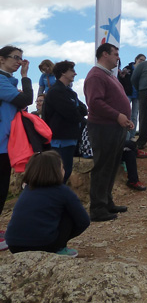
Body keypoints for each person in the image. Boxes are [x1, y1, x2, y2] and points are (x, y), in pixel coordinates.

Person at [5, 151, 90, 257]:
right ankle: (59, 248)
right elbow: (84, 221)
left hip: (14, 245)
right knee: (69, 213)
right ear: (56, 171)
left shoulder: (27, 189)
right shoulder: (62, 191)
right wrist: (62, 239)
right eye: (62, 168)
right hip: (45, 245)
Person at [84, 43, 133, 222]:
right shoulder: (96, 75)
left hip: (115, 127)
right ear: (104, 54)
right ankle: (97, 209)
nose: (118, 57)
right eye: (115, 54)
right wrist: (118, 115)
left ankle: (107, 202)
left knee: (112, 166)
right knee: (103, 166)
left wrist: (124, 118)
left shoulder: (108, 75)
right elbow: (94, 102)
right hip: (103, 128)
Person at [0, 45, 32, 251]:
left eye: (21, 58)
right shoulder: (1, 80)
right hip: (0, 145)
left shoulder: (7, 82)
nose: (19, 61)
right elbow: (25, 99)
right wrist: (25, 76)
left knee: (2, 190)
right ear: (1, 59)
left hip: (5, 144)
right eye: (15, 57)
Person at [43, 60, 88, 184]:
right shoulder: (56, 91)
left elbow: (83, 109)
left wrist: (77, 110)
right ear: (63, 72)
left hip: (70, 138)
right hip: (60, 140)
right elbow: (72, 114)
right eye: (72, 70)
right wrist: (77, 110)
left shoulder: (70, 92)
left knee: (65, 172)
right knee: (60, 174)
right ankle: (53, 201)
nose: (75, 73)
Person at [131, 52, 147, 149]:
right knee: (144, 117)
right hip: (144, 92)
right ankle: (141, 141)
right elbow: (134, 78)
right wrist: (141, 88)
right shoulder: (143, 65)